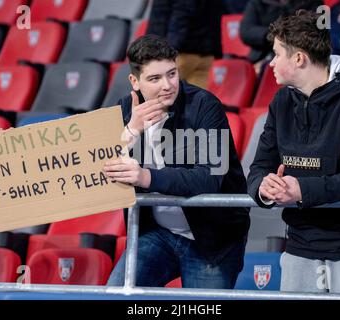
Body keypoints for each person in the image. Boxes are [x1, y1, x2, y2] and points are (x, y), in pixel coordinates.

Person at [247, 10, 340, 294]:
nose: (271, 63)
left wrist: (302, 190)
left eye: (277, 54)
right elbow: (258, 168)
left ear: (299, 58)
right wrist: (264, 187)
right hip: (299, 245)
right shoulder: (281, 101)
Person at [104, 34, 250, 288]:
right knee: (117, 293)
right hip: (157, 234)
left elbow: (208, 178)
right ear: (134, 81)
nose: (167, 85)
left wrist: (145, 177)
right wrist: (130, 131)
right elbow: (104, 169)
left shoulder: (205, 107)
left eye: (172, 74)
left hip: (211, 239)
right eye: (154, 78)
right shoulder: (125, 110)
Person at [146, 0, 223, 89]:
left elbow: (181, 16)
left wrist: (167, 51)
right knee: (196, 100)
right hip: (206, 53)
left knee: (159, 97)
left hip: (180, 52)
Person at [239, 0, 323, 74]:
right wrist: (275, 36)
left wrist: (280, 36)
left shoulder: (313, 2)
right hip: (261, 55)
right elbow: (246, 31)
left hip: (299, 57)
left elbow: (315, 34)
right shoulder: (258, 3)